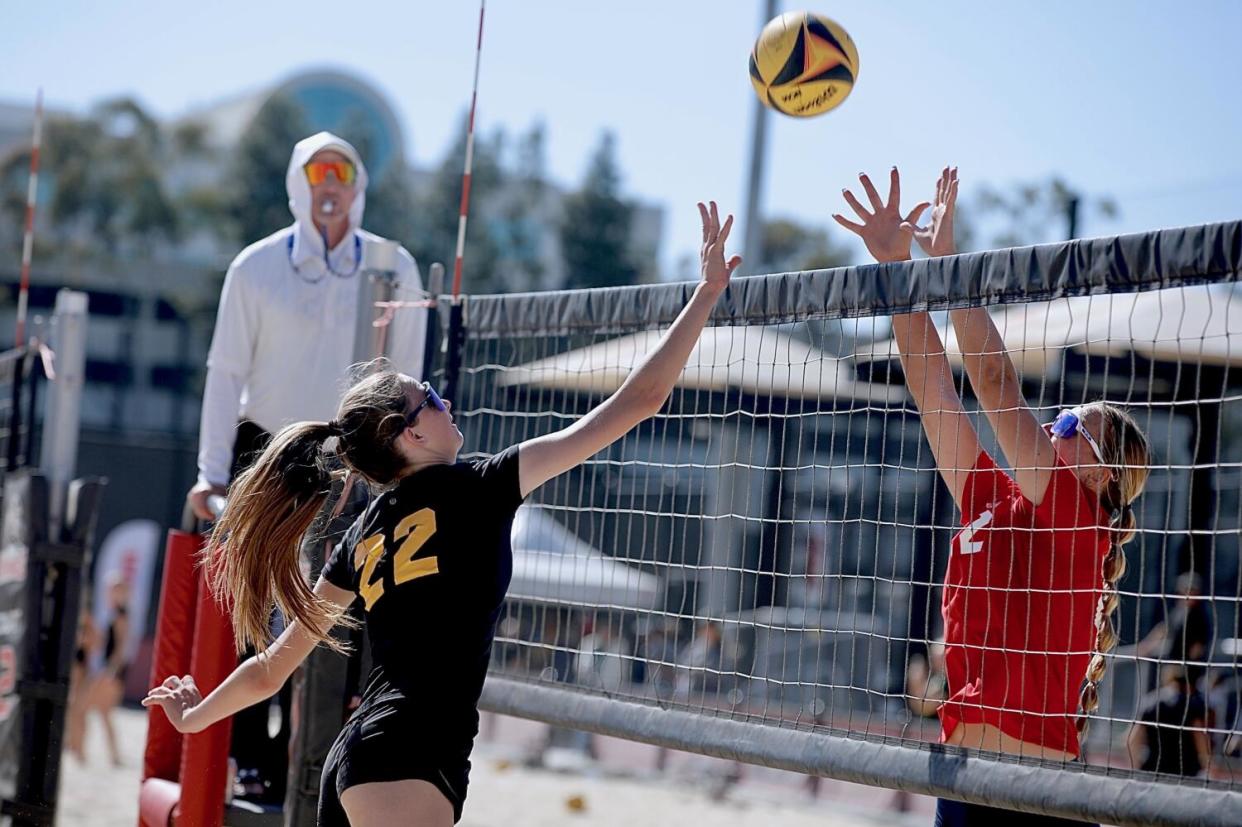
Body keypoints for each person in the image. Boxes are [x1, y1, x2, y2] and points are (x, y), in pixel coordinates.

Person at [144, 202, 742, 826]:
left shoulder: (362, 534)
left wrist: (197, 714)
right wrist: (705, 295)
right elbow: (639, 401)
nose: (444, 397)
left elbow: (271, 672)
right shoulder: (481, 485)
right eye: (427, 398)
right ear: (406, 435)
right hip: (406, 751)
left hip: (367, 755)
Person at [834, 167, 1151, 826]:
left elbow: (995, 381)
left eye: (1069, 425)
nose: (1053, 421)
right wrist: (897, 267)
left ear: (1100, 476)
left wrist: (947, 265)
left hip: (1031, 795)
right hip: (963, 782)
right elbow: (930, 384)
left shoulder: (1075, 514)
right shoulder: (992, 495)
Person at [185, 130, 426, 807]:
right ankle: (251, 758)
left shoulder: (393, 264)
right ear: (298, 182)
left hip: (355, 454)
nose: (330, 184)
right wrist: (209, 473)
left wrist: (396, 468)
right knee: (255, 606)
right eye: (317, 171)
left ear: (359, 184)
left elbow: (407, 376)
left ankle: (314, 751)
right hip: (269, 453)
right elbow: (224, 372)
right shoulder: (255, 267)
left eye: (342, 172)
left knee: (336, 615)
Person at [1127, 664, 1211, 777]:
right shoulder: (1191, 705)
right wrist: (1207, 766)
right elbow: (1200, 738)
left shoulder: (1150, 702)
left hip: (1154, 769)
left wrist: (1136, 766)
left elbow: (1133, 739)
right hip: (1185, 771)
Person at [86, 574, 131, 766]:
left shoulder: (121, 614)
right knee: (103, 713)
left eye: (116, 589)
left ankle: (78, 749)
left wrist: (110, 671)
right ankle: (113, 756)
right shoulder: (113, 613)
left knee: (87, 707)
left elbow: (121, 648)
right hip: (108, 669)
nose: (112, 593)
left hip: (111, 671)